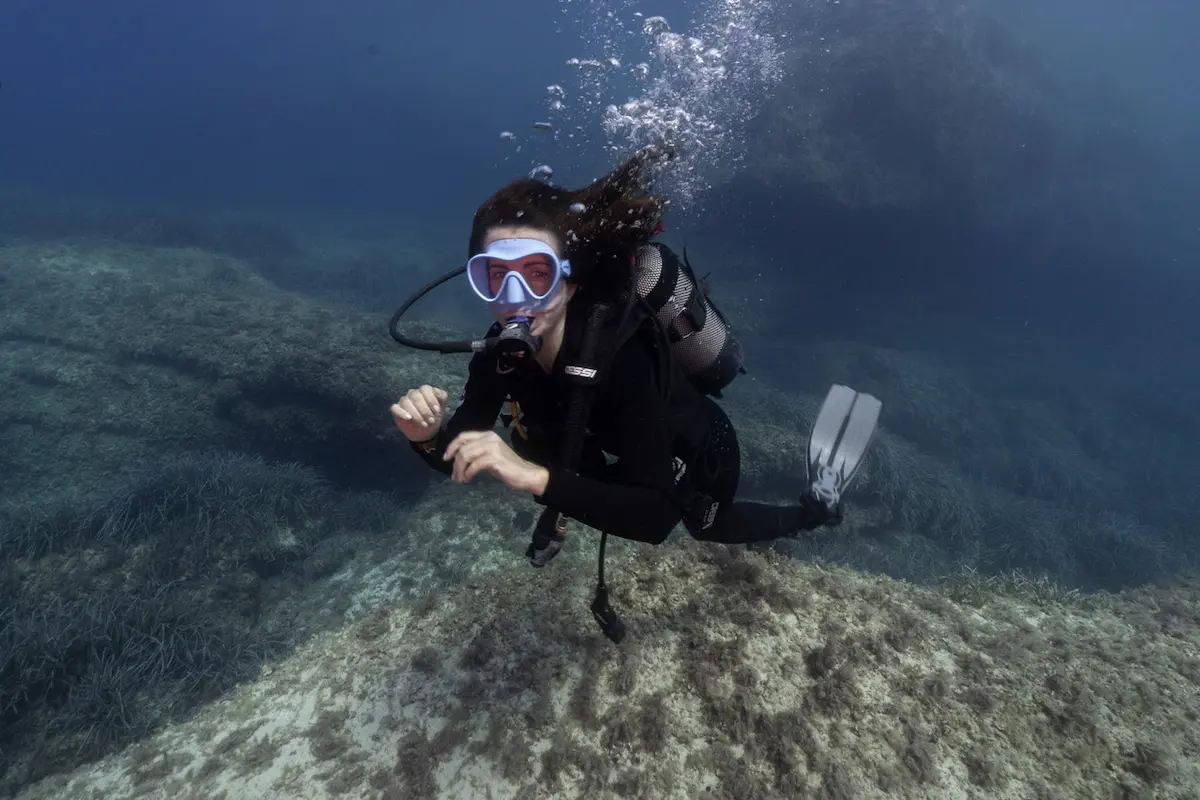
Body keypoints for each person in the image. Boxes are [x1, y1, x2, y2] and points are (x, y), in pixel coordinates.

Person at [390, 147, 877, 565]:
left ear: (572, 278)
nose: (515, 296)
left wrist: (532, 477)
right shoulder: (502, 354)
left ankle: (814, 510)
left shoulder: (620, 359)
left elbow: (654, 519)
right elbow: (458, 449)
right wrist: (427, 437)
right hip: (598, 450)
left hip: (693, 448)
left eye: (537, 273)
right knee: (538, 442)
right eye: (495, 275)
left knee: (705, 523)